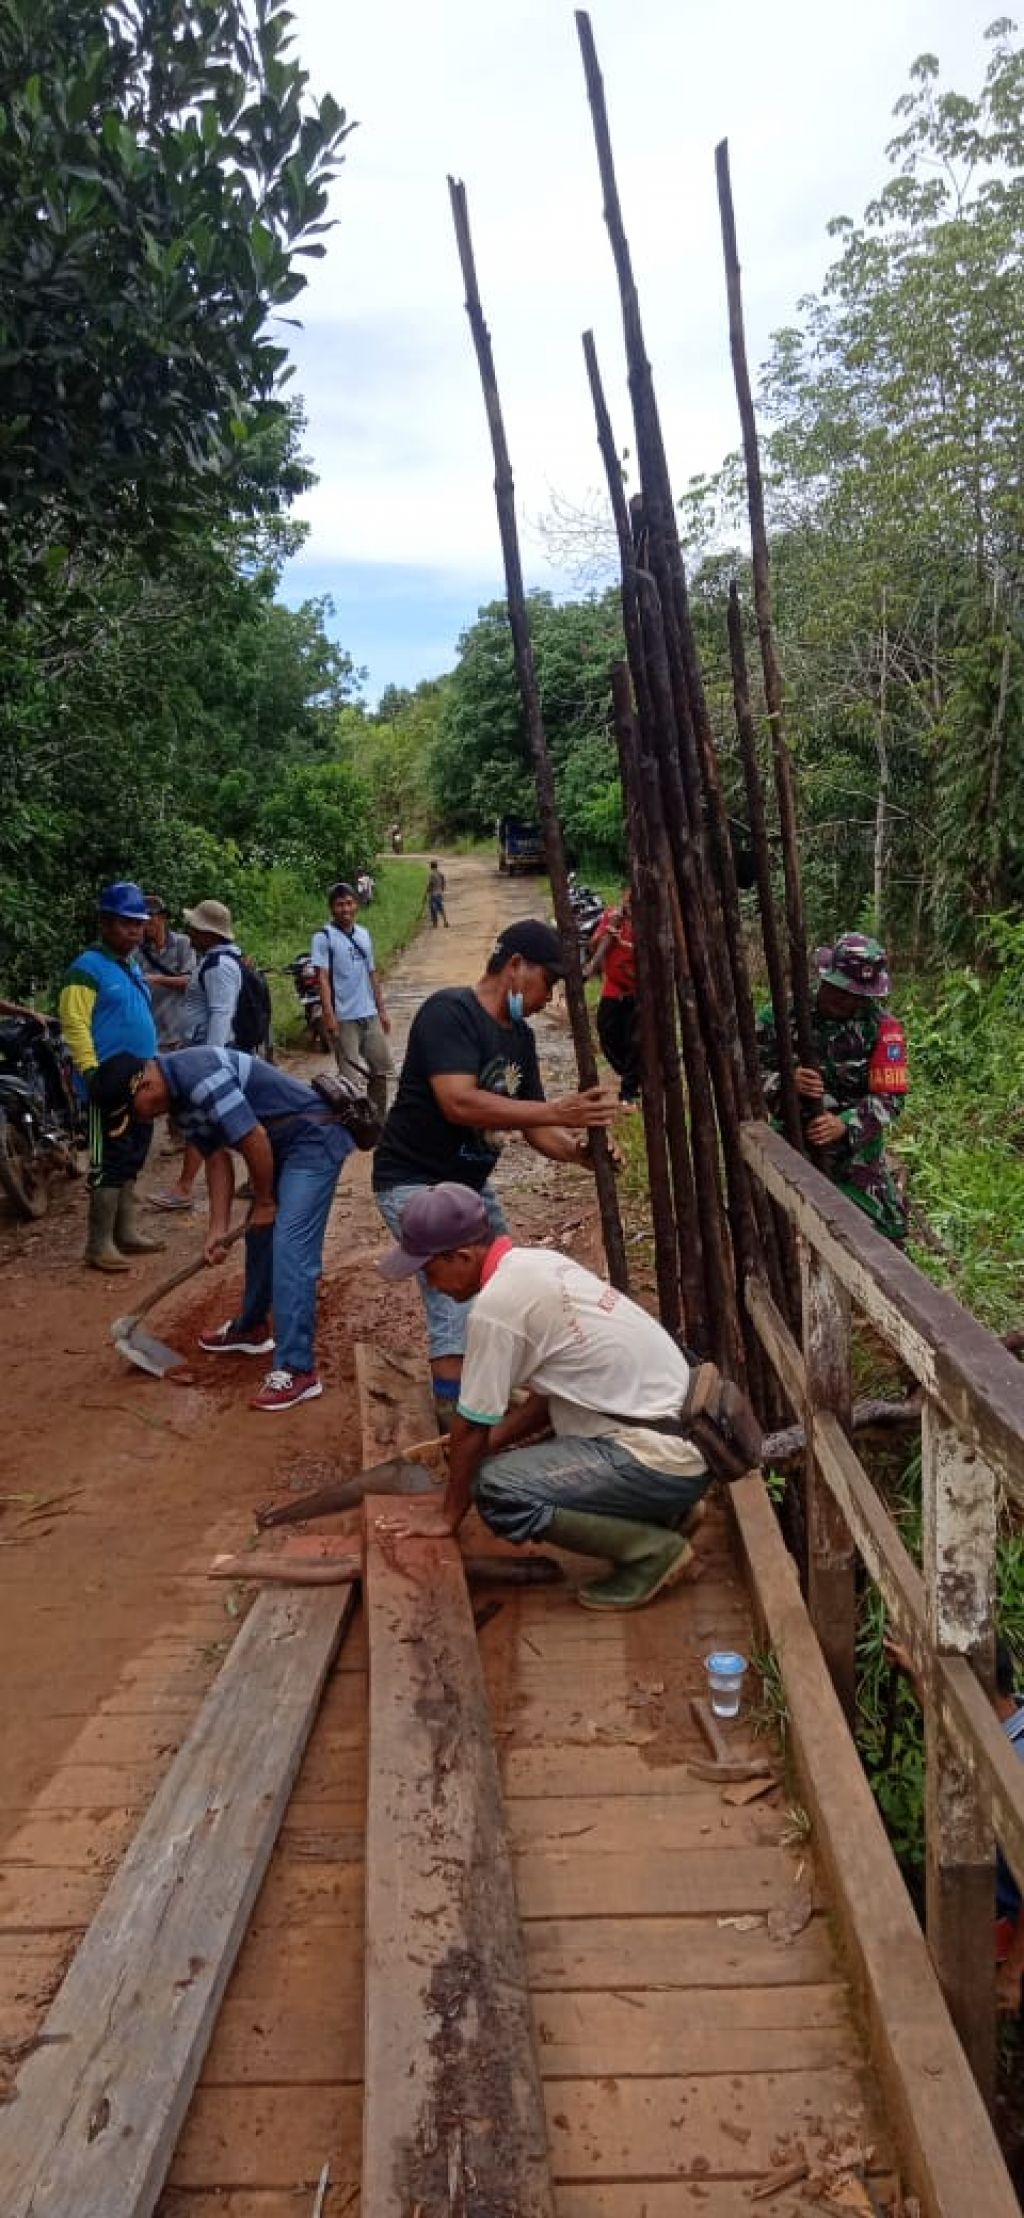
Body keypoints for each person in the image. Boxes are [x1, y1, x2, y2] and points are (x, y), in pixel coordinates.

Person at [375, 1184, 710, 1611]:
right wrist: (477, 1445)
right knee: (494, 1451)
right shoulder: (539, 1264)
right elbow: (548, 1399)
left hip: (658, 1457)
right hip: (684, 1442)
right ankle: (667, 1513)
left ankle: (651, 1553)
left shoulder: (496, 1310)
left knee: (495, 1488)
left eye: (429, 1270)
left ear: (460, 1257)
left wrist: (447, 1513)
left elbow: (472, 1424)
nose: (430, 1285)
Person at [372, 920, 619, 1428]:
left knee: (502, 1280)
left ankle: (485, 1391)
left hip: (466, 1188)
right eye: (545, 983)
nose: (545, 998)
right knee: (453, 1292)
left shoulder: (520, 1039)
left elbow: (534, 1126)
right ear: (515, 967)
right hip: (414, 1179)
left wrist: (578, 1151)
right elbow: (459, 1101)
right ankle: (454, 1415)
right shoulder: (450, 1012)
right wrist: (559, 1112)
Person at [92, 1046, 356, 1412]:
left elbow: (254, 1139)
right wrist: (217, 1230)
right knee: (260, 1236)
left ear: (146, 1084)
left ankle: (297, 1370)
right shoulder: (178, 1101)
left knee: (290, 1247)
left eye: (136, 1109)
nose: (142, 1118)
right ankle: (251, 1327)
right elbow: (217, 1160)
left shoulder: (198, 1076)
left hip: (312, 1138)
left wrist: (265, 1202)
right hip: (278, 1145)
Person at [756, 932, 909, 1243]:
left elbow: (890, 1098)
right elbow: (744, 1071)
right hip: (792, 1136)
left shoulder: (883, 1029)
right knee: (773, 1224)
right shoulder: (782, 1016)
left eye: (854, 996)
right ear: (825, 978)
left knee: (887, 1236)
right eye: (838, 991)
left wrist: (844, 1124)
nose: (844, 1001)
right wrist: (784, 1081)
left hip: (854, 1149)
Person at [59, 881, 164, 1271]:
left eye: (139, 923)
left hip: (142, 1080)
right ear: (105, 923)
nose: (135, 930)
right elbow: (75, 1024)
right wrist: (91, 1072)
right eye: (125, 924)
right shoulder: (86, 970)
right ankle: (98, 1243)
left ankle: (126, 1231)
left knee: (134, 1155)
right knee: (109, 1160)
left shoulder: (132, 966)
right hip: (110, 1081)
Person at [150, 897, 245, 1212]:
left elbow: (220, 1013)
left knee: (204, 1122)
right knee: (218, 1123)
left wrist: (211, 1059)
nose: (189, 931)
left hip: (212, 1056)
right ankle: (189, 1186)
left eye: (194, 926)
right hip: (206, 1052)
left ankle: (185, 1188)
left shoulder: (219, 966)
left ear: (208, 932)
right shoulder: (214, 960)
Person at [312, 882, 393, 1121]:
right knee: (349, 1078)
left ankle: (378, 1120)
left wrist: (382, 1010)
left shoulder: (363, 934)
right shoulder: (323, 937)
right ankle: (354, 1124)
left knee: (380, 1071)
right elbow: (323, 979)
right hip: (344, 1017)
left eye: (349, 903)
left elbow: (372, 974)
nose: (345, 909)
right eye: (339, 904)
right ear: (331, 908)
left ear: (356, 905)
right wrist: (329, 1015)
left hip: (369, 1013)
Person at [584, 885, 640, 1104]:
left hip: (637, 992)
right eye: (628, 899)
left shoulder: (649, 923)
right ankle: (630, 1074)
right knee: (607, 1035)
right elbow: (592, 947)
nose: (629, 905)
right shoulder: (611, 916)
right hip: (613, 989)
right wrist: (607, 934)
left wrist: (623, 943)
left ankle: (629, 1091)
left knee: (635, 1041)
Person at [140, 895, 194, 1050]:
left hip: (178, 1037)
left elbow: (190, 982)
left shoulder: (183, 944)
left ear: (162, 918)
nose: (146, 924)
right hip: (150, 1038)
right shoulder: (136, 950)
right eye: (142, 919)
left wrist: (155, 980)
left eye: (150, 917)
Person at [427, 861, 449, 929]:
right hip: (439, 893)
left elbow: (430, 884)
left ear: (431, 866)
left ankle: (435, 924)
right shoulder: (440, 874)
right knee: (441, 908)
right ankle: (445, 921)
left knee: (433, 909)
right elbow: (443, 883)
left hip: (433, 894)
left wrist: (427, 891)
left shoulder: (432, 875)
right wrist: (441, 890)